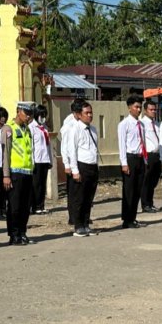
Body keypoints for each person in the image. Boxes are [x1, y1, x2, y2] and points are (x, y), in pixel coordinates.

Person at [1, 101, 35, 245]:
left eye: (30, 115)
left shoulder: (27, 129)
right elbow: (5, 154)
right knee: (14, 207)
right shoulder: (9, 129)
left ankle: (22, 232)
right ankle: (14, 234)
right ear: (18, 111)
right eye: (26, 113)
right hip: (15, 173)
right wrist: (6, 175)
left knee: (25, 206)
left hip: (27, 172)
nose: (28, 117)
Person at [66, 101, 100, 237]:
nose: (90, 115)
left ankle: (86, 223)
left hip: (92, 166)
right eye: (86, 113)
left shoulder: (93, 129)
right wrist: (74, 170)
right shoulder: (75, 129)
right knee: (79, 197)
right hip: (81, 166)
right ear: (79, 115)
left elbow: (94, 149)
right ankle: (78, 225)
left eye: (91, 112)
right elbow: (71, 151)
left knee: (89, 198)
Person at [117, 94, 147, 229]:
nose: (138, 110)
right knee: (129, 190)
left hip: (140, 158)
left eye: (140, 107)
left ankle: (133, 217)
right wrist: (124, 163)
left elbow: (143, 142)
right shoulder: (124, 124)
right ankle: (127, 218)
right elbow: (122, 144)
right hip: (130, 158)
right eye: (136, 107)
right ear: (129, 108)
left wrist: (145, 159)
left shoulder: (141, 124)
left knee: (137, 190)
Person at [60, 98, 86, 225]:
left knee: (81, 192)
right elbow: (65, 146)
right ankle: (73, 217)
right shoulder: (69, 124)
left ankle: (81, 215)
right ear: (76, 112)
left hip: (81, 161)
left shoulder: (82, 124)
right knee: (73, 192)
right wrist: (67, 164)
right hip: (71, 162)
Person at [29, 105, 53, 215]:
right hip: (37, 160)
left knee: (43, 184)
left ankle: (41, 205)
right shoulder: (31, 128)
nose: (43, 117)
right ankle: (35, 206)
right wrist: (32, 161)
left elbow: (48, 145)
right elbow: (31, 146)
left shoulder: (45, 128)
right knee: (36, 184)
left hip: (45, 159)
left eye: (44, 115)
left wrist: (50, 160)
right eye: (41, 115)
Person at [140, 100, 162, 213]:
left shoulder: (157, 124)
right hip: (148, 154)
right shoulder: (142, 123)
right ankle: (145, 204)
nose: (153, 111)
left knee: (154, 181)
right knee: (146, 181)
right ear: (145, 111)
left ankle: (150, 202)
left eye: (155, 109)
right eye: (151, 109)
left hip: (157, 155)